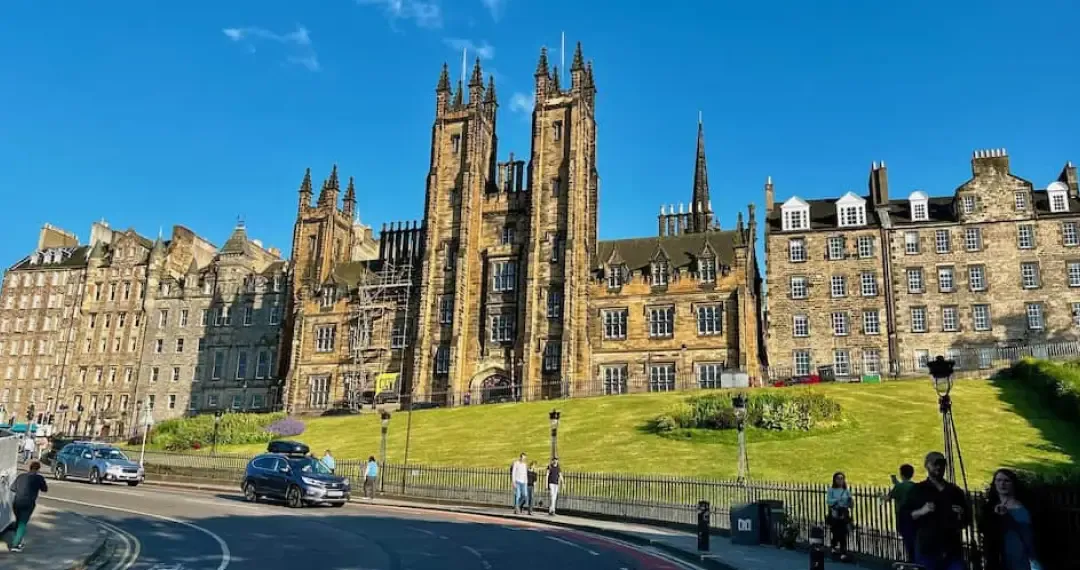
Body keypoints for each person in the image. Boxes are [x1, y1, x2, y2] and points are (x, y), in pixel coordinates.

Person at [908, 451, 971, 570]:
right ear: (927, 465)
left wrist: (961, 515)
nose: (939, 467)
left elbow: (967, 520)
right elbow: (906, 516)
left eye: (942, 464)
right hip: (927, 548)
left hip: (952, 549)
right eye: (935, 464)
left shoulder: (955, 491)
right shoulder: (917, 490)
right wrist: (921, 511)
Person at [980, 468, 1040, 570]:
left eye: (1006, 480)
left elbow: (1030, 532)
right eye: (998, 480)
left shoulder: (1026, 506)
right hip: (999, 558)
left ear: (1013, 483)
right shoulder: (989, 508)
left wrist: (1007, 516)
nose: (1002, 484)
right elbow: (985, 530)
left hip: (1024, 557)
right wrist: (994, 516)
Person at [9, 461, 48, 552]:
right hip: (28, 503)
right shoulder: (39, 478)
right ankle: (15, 544)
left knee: (19, 522)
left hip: (17, 502)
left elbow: (12, 488)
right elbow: (44, 489)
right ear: (38, 469)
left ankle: (19, 542)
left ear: (30, 468)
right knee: (22, 524)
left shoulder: (21, 476)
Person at [883, 464, 917, 562]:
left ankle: (911, 561)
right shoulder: (915, 486)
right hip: (914, 515)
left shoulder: (899, 487)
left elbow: (888, 498)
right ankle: (914, 559)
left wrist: (881, 496)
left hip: (902, 515)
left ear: (901, 474)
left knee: (906, 538)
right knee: (913, 538)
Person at [826, 471, 854, 562]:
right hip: (835, 512)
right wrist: (838, 500)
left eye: (842, 478)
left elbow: (851, 504)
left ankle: (843, 552)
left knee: (843, 533)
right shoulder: (831, 490)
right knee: (835, 531)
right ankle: (834, 547)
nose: (840, 480)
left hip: (844, 513)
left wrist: (850, 501)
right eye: (838, 478)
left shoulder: (846, 491)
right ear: (834, 479)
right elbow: (829, 501)